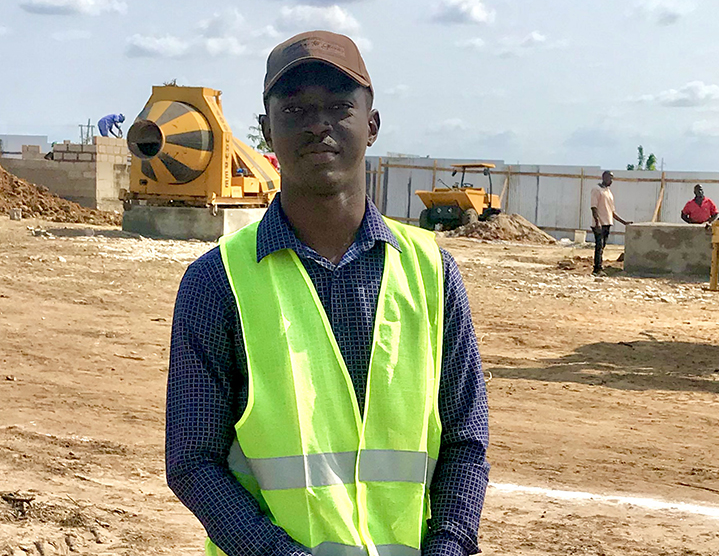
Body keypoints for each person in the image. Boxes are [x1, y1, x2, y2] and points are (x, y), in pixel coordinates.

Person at [166, 31, 489, 556]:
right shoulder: (217, 281)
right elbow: (192, 461)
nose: (318, 126)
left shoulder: (433, 272)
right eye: (295, 109)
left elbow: (464, 441)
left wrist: (449, 546)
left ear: (373, 124)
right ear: (267, 130)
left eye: (339, 107)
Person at [590, 170, 631, 276]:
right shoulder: (596, 190)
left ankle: (599, 267)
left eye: (612, 178)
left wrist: (623, 222)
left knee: (602, 246)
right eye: (609, 178)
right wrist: (597, 222)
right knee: (599, 246)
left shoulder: (608, 192)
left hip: (607, 223)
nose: (611, 180)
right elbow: (594, 207)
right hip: (599, 224)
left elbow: (612, 211)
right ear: (604, 177)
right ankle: (597, 269)